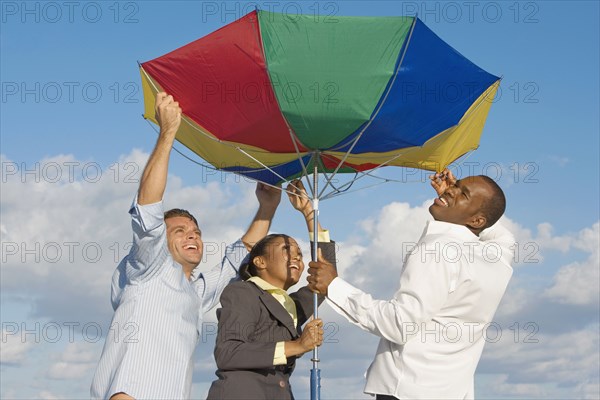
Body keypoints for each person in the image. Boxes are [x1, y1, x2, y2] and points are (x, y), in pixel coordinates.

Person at [91, 92, 282, 399]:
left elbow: (239, 254)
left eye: (196, 231)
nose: (192, 235)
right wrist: (168, 133)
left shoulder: (196, 293)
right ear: (159, 242)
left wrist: (268, 207)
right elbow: (148, 207)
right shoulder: (148, 267)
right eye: (179, 231)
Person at [307, 169, 515, 400]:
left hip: (407, 389)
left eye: (462, 194)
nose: (451, 190)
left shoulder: (437, 249)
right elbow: (503, 235)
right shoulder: (498, 257)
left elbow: (401, 324)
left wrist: (334, 286)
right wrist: (462, 201)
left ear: (477, 220)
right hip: (452, 392)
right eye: (456, 185)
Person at [206, 180, 337, 400]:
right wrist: (296, 346)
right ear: (260, 262)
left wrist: (308, 213)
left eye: (299, 253)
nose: (296, 256)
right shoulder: (242, 292)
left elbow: (327, 279)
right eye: (286, 249)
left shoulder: (291, 305)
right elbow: (227, 353)